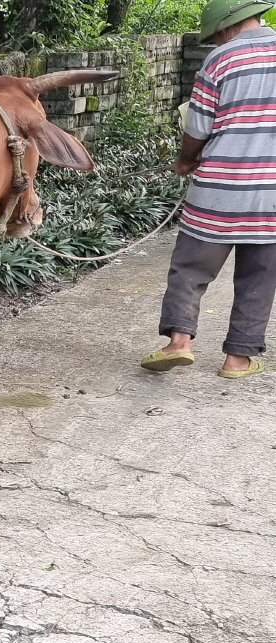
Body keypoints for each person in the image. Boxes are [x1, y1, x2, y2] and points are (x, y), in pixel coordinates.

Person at [143, 0, 276, 379]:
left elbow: (198, 126)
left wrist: (186, 160)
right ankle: (238, 360)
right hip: (272, 195)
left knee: (190, 268)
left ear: (226, 26)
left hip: (220, 186)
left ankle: (179, 342)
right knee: (260, 277)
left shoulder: (220, 59)